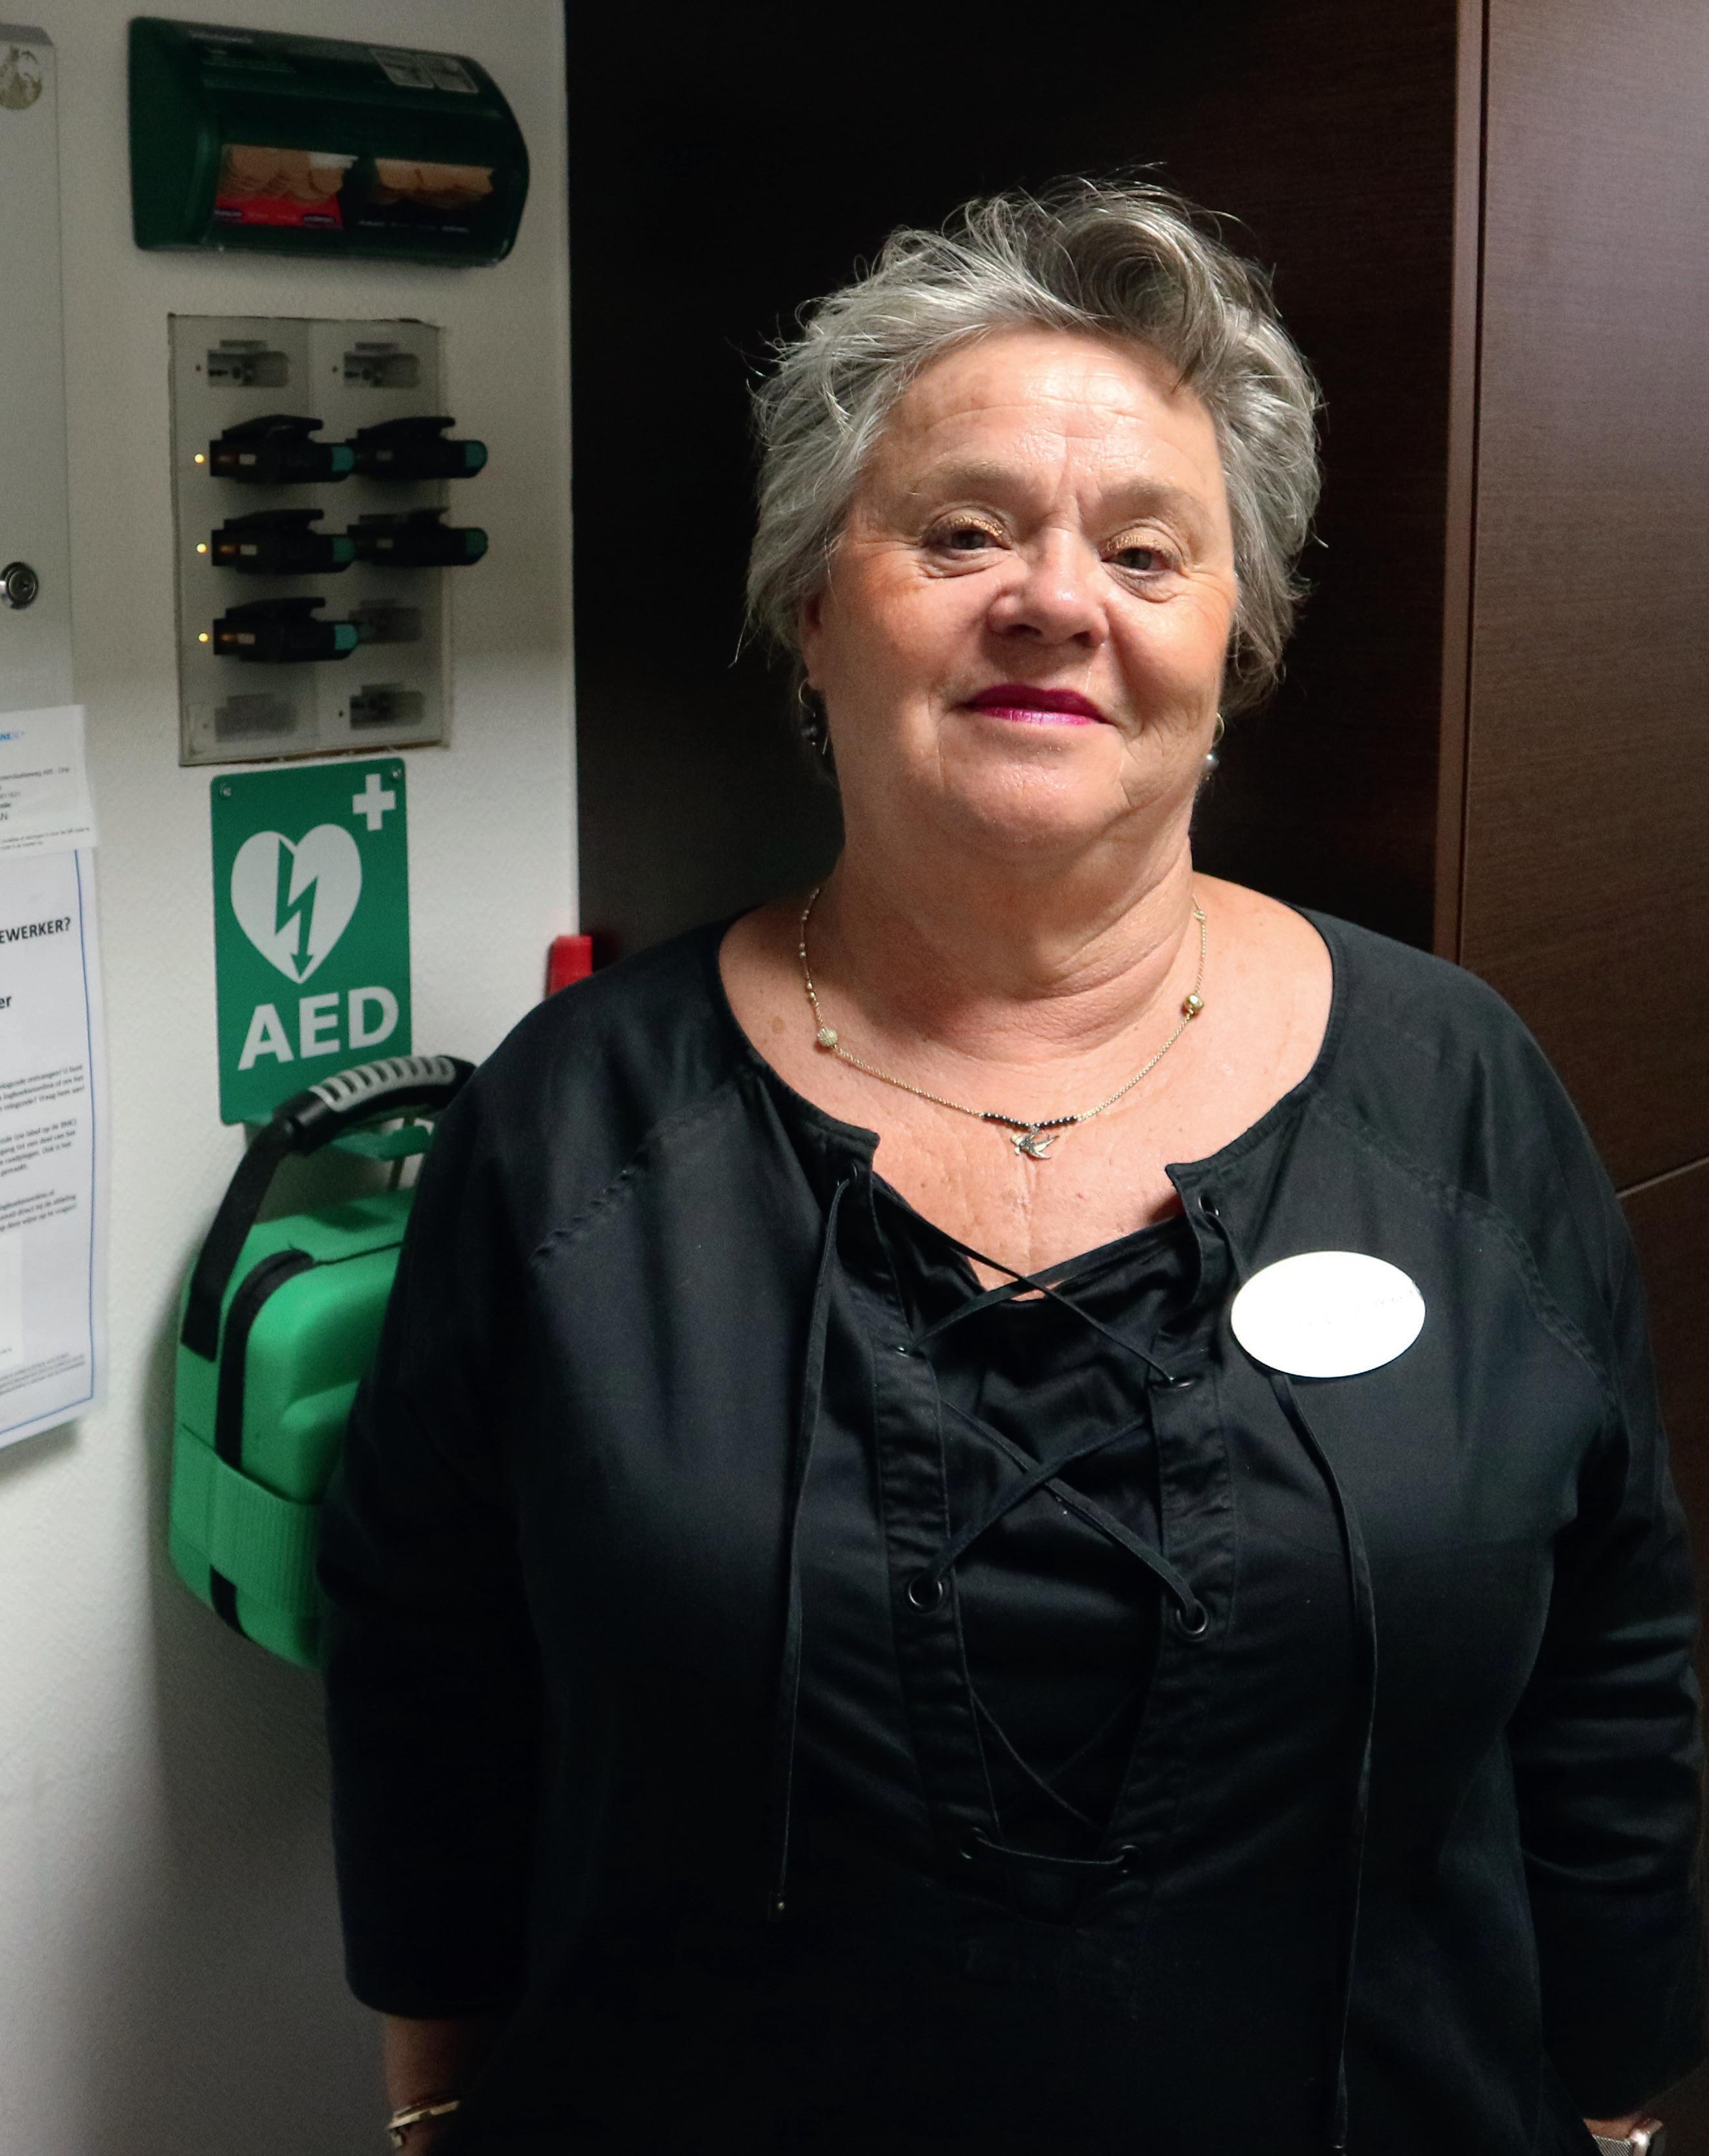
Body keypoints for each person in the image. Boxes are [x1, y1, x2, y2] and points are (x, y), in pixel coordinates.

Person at [320, 182, 1703, 2155]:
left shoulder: (1459, 1088)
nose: (1055, 601)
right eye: (961, 532)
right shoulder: (572, 1124)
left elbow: (1611, 1648)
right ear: (813, 609)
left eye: (1147, 551)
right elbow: (428, 1660)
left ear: (1237, 640)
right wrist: (437, 2101)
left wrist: (1620, 2110)